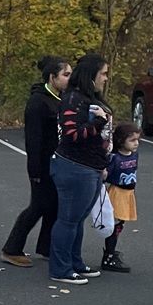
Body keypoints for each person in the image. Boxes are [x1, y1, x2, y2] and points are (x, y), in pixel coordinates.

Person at [1, 55, 71, 266]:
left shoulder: (60, 99)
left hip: (58, 163)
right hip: (42, 164)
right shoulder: (38, 102)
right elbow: (34, 140)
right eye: (65, 75)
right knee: (39, 205)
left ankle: (46, 246)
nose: (69, 79)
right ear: (52, 77)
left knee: (55, 205)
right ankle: (11, 248)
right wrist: (35, 170)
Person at [49, 53, 112, 285]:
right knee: (68, 219)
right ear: (91, 74)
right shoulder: (73, 99)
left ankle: (74, 261)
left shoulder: (88, 97)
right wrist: (98, 122)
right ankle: (60, 268)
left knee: (77, 219)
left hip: (92, 167)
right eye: (103, 73)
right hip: (75, 167)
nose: (105, 78)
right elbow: (71, 134)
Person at [101, 122, 139, 274]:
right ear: (120, 141)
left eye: (137, 140)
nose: (136, 143)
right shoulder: (114, 158)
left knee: (120, 224)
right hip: (117, 193)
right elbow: (106, 175)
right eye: (132, 140)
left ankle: (111, 251)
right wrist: (104, 174)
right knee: (114, 225)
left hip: (128, 194)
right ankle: (108, 255)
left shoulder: (135, 155)